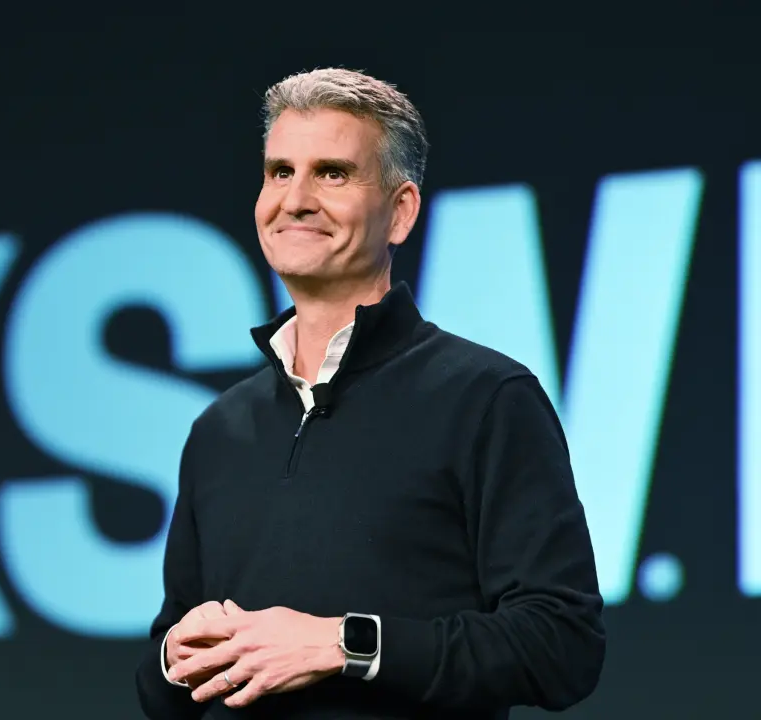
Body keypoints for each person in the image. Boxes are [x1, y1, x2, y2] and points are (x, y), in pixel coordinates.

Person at [133, 67, 606, 719]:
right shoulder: (219, 429)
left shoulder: (487, 397)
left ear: (400, 211)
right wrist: (173, 658)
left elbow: (561, 646)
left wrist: (344, 644)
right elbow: (165, 692)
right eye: (279, 172)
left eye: (332, 173)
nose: (295, 199)